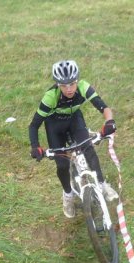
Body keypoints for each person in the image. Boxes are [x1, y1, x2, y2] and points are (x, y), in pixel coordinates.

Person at [28, 60, 118, 218]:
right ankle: (68, 195)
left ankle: (103, 185)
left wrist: (109, 121)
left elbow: (103, 107)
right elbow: (34, 125)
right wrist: (36, 147)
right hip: (54, 125)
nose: (69, 89)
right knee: (62, 164)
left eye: (72, 84)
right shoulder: (50, 97)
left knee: (88, 149)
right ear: (57, 84)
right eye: (63, 85)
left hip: (74, 119)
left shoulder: (83, 87)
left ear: (77, 81)